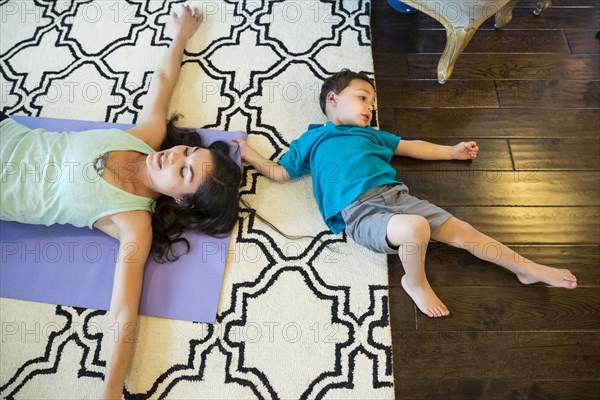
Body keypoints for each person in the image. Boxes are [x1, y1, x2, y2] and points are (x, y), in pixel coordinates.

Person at [0, 7, 240, 399]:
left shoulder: (133, 223)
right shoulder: (145, 136)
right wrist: (181, 34)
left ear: (180, 198)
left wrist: (111, 390)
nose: (173, 157)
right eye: (185, 153)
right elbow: (163, 79)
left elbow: (124, 313)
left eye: (183, 173)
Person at [233, 69, 577, 319]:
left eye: (372, 102)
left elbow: (411, 146)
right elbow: (280, 172)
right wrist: (250, 155)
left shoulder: (373, 134)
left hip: (398, 198)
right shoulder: (313, 139)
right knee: (415, 229)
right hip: (360, 213)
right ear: (332, 99)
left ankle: (526, 268)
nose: (370, 107)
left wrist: (451, 151)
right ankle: (415, 282)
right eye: (363, 98)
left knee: (464, 231)